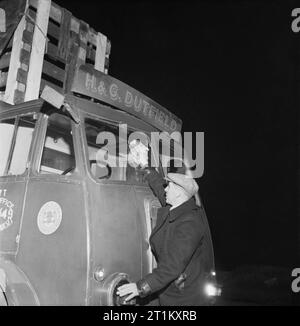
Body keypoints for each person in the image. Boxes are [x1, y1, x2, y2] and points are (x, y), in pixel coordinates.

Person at [117, 140, 209, 306]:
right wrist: (144, 165)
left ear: (180, 195)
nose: (165, 189)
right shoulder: (173, 206)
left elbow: (171, 267)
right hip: (171, 292)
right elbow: (158, 184)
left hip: (184, 300)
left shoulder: (190, 224)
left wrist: (140, 287)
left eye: (170, 187)